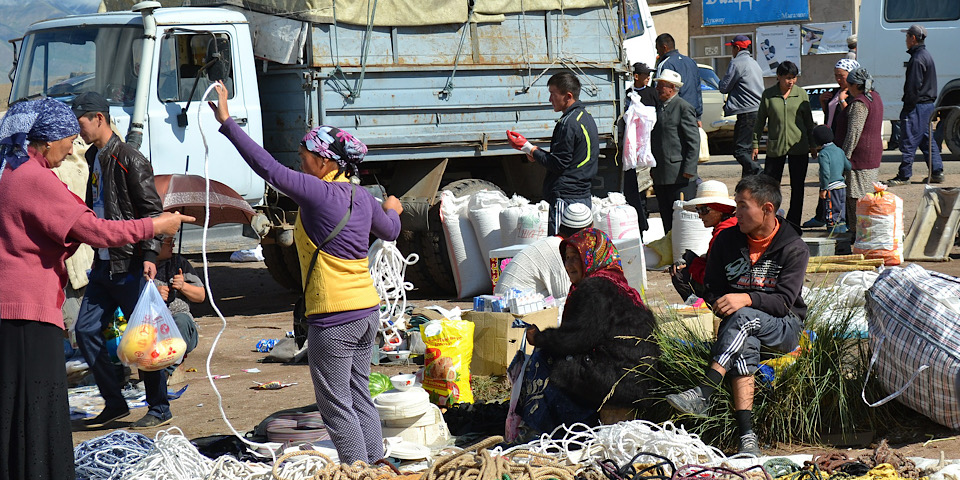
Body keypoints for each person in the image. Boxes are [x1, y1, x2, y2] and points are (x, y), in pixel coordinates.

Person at [209, 82, 402, 464]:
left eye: (305, 155)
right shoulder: (360, 195)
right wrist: (392, 207)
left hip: (333, 317)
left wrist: (228, 122)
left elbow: (266, 167)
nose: (300, 160)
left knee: (336, 407)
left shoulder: (316, 192)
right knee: (359, 395)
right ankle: (377, 465)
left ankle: (356, 472)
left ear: (326, 161)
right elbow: (392, 231)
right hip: (366, 312)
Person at [0, 98, 190, 479]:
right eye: (67, 139)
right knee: (38, 405)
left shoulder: (11, 170)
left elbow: (66, 223)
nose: (72, 147)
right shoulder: (32, 179)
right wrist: (156, 228)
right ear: (47, 139)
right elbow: (96, 230)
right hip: (28, 309)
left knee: (15, 405)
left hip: (16, 306)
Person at [665, 174, 809, 457]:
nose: (737, 213)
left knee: (743, 317)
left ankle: (705, 392)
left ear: (767, 209)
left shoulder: (793, 247)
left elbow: (782, 303)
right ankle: (747, 437)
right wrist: (718, 302)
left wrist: (745, 298)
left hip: (784, 326)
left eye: (743, 206)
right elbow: (712, 287)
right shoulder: (726, 242)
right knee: (745, 345)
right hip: (742, 328)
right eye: (736, 205)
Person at [72, 91, 171, 429]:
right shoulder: (90, 156)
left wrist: (149, 255)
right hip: (102, 263)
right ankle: (115, 403)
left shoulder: (130, 158)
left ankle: (159, 406)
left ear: (98, 118)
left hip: (128, 264)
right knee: (85, 331)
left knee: (145, 339)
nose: (78, 130)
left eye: (81, 122)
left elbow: (152, 212)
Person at [517, 228, 658, 439]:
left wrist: (539, 338)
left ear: (591, 258)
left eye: (576, 258)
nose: (569, 266)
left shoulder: (595, 289)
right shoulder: (622, 288)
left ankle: (559, 429)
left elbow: (576, 339)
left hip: (620, 383)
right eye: (566, 259)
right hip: (642, 382)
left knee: (545, 359)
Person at [507, 72, 598, 235]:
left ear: (568, 96)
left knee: (561, 247)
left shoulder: (567, 124)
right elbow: (568, 158)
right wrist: (535, 153)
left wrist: (529, 148)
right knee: (581, 247)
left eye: (552, 94)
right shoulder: (586, 118)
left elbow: (558, 164)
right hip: (583, 197)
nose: (550, 100)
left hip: (566, 198)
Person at [130, 234, 203, 427]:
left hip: (181, 324)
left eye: (172, 241)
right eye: (167, 242)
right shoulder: (142, 270)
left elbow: (201, 296)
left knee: (178, 321)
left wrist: (184, 286)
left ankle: (164, 372)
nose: (172, 245)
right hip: (153, 326)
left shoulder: (180, 264)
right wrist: (153, 295)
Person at [752, 61, 815, 226]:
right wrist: (755, 143)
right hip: (775, 147)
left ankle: (794, 224)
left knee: (798, 187)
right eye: (787, 78)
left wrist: (812, 144)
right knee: (770, 187)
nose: (791, 82)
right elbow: (760, 121)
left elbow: (809, 122)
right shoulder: (769, 95)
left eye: (793, 78)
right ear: (778, 77)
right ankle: (770, 221)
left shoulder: (801, 94)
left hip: (798, 146)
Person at [494, 203, 594, 301]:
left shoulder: (552, 243)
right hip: (510, 305)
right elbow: (565, 297)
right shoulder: (558, 250)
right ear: (585, 233)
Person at [802, 58, 859, 229]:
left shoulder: (852, 95)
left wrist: (842, 101)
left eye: (841, 76)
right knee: (826, 182)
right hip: (832, 140)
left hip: (842, 143)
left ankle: (838, 220)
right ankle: (822, 215)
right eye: (836, 76)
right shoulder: (836, 91)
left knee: (835, 184)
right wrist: (823, 103)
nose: (838, 79)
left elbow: (851, 118)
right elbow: (831, 118)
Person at [889, 24, 944, 185]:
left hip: (917, 106)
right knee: (927, 140)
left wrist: (907, 107)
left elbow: (913, 86)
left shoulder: (917, 58)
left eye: (907, 36)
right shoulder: (925, 55)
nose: (905, 40)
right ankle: (937, 172)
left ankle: (904, 175)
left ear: (913, 38)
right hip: (927, 106)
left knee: (909, 139)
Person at [835, 67, 884, 240]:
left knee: (856, 198)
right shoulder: (875, 97)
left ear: (856, 85)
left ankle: (860, 235)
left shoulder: (860, 104)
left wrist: (844, 157)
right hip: (871, 155)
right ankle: (864, 234)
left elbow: (854, 133)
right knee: (866, 197)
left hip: (859, 158)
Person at [670, 180, 738, 301]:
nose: (700, 216)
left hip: (724, 289)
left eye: (704, 210)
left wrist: (693, 264)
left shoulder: (723, 234)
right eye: (698, 210)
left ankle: (704, 306)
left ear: (720, 209)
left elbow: (711, 276)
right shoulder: (731, 226)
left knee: (679, 275)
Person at [651, 69, 700, 233]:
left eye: (661, 85)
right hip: (661, 175)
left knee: (682, 219)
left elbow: (693, 141)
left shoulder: (683, 107)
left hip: (679, 176)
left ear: (671, 87)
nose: (657, 88)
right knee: (666, 217)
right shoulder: (660, 107)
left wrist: (689, 169)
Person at [718, 35, 764, 177]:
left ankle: (760, 172)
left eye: (732, 48)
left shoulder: (737, 63)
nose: (731, 51)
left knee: (740, 151)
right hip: (758, 111)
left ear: (737, 48)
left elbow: (724, 87)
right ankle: (748, 184)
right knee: (749, 151)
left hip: (747, 113)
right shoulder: (754, 62)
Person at [623, 62, 658, 233]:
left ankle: (644, 219)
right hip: (632, 151)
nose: (648, 78)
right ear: (636, 76)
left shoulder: (652, 93)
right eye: (646, 74)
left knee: (644, 187)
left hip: (647, 149)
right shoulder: (628, 95)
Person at [811, 126, 851, 234]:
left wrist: (823, 188)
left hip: (831, 188)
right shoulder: (839, 150)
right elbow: (848, 166)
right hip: (842, 186)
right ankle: (842, 234)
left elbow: (825, 173)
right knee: (841, 212)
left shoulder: (823, 154)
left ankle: (833, 235)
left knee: (832, 213)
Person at [655, 33, 702, 122]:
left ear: (664, 47)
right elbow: (698, 89)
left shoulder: (665, 64)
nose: (657, 52)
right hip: (692, 112)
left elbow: (659, 91)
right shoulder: (691, 62)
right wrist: (698, 116)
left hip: (674, 114)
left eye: (657, 49)